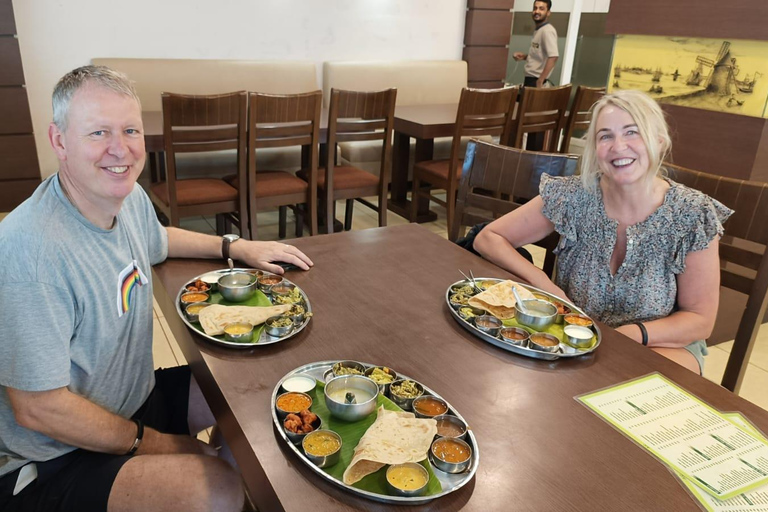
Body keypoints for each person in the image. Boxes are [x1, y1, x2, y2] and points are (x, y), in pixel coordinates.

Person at [0, 66, 314, 512]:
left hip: (132, 397)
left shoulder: (125, 199)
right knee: (221, 490)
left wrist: (236, 245)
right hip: (55, 457)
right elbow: (39, 409)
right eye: (98, 132)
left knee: (257, 386)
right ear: (59, 141)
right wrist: (159, 446)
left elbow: (158, 239)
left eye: (130, 130)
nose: (120, 149)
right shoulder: (31, 252)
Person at [473, 89, 732, 374]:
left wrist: (629, 335)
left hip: (663, 344)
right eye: (605, 136)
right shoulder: (573, 196)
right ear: (595, 149)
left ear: (658, 142)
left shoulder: (693, 214)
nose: (619, 147)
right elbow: (489, 238)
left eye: (632, 132)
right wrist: (546, 285)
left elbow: (700, 320)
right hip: (575, 338)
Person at [512, 0, 559, 151]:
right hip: (530, 80)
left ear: (548, 12)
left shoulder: (547, 31)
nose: (537, 11)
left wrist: (540, 81)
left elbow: (553, 57)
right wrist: (526, 56)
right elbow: (542, 55)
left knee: (531, 126)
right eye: (535, 8)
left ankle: (528, 158)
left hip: (536, 82)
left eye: (541, 8)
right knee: (526, 123)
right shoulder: (539, 30)